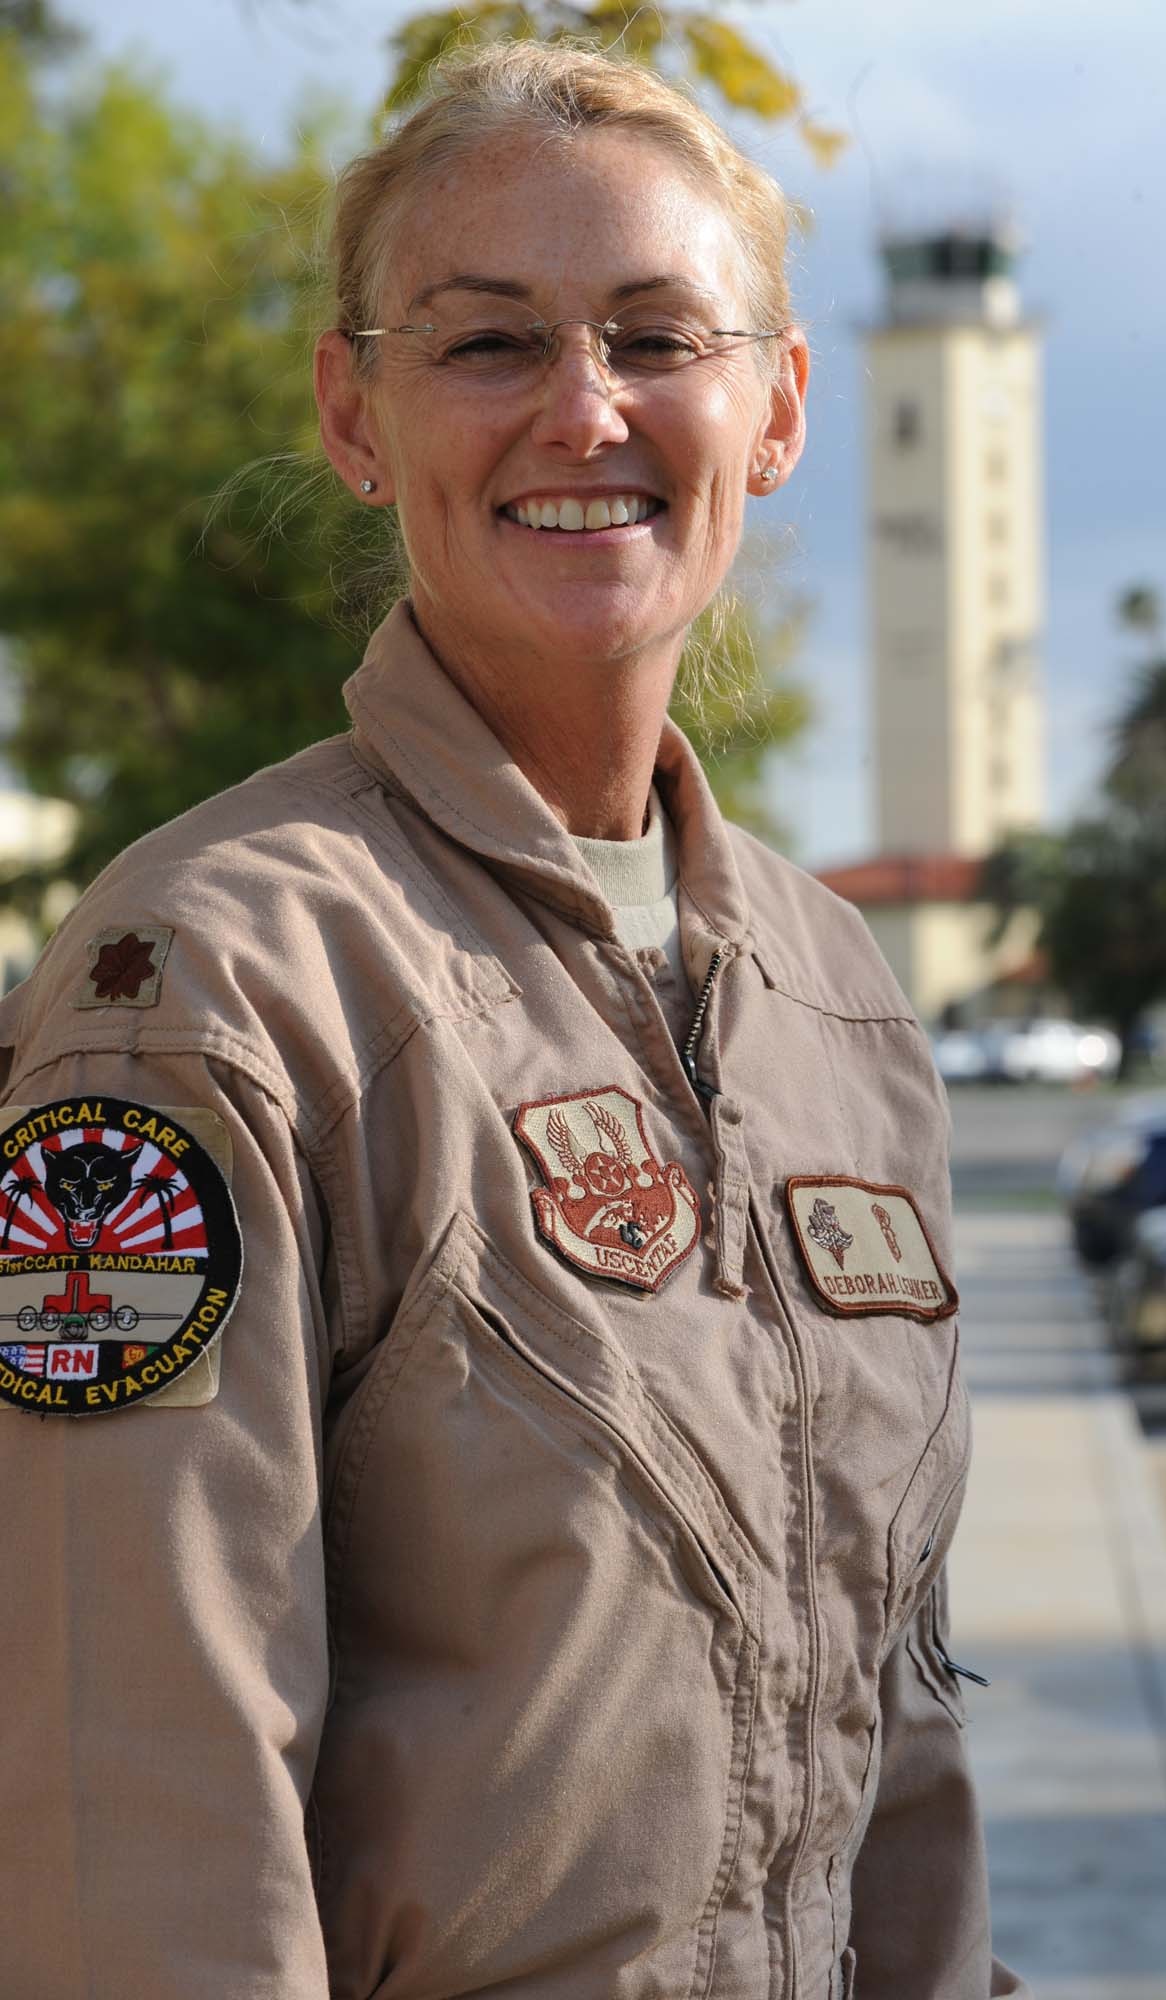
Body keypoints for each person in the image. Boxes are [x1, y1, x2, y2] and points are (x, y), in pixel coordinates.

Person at [0, 40, 1026, 2000]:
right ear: (353, 413)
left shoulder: (840, 999)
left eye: (659, 335)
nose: (584, 409)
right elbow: (133, 1799)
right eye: (487, 344)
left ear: (779, 405)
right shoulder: (218, 987)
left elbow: (903, 1729)